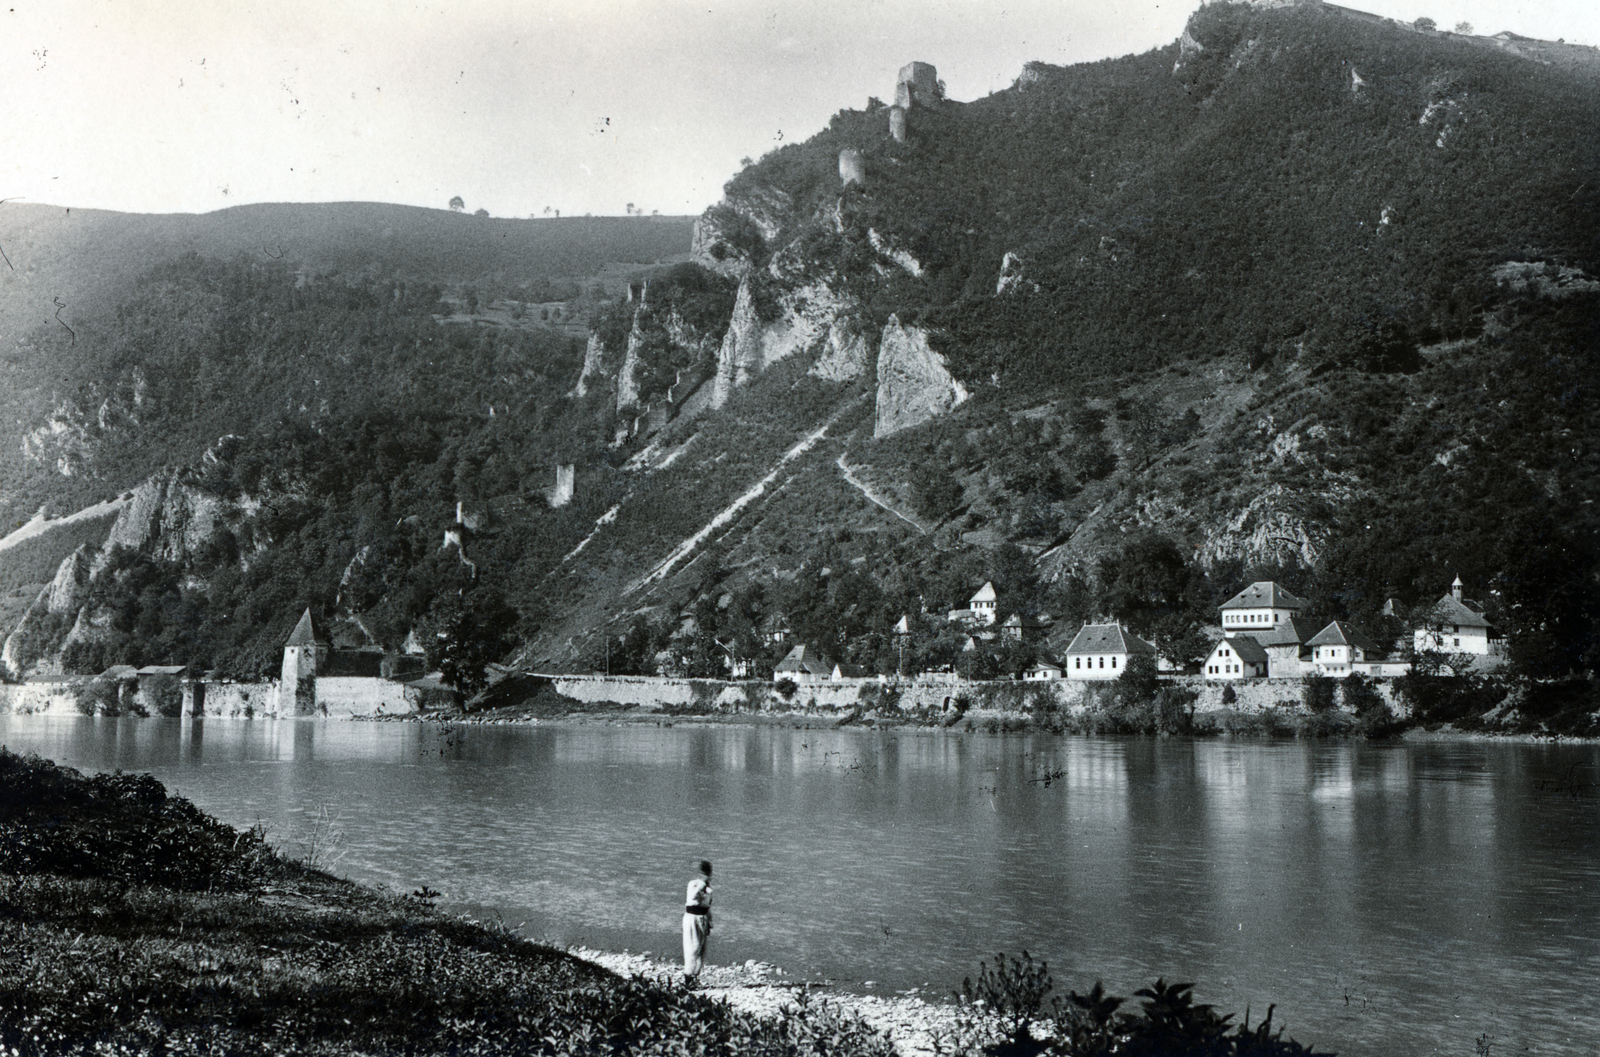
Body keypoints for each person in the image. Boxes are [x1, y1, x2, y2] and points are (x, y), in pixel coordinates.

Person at [682, 860, 713, 978]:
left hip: (699, 917)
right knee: (694, 947)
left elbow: (708, 906)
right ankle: (689, 975)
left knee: (698, 948)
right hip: (694, 916)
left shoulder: (701, 886)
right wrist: (703, 885)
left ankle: (693, 975)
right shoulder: (697, 885)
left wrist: (710, 922)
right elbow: (694, 895)